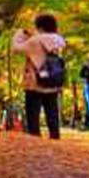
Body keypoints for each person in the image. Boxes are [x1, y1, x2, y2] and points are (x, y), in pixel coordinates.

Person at [12, 12, 66, 140]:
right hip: (53, 82)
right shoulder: (59, 40)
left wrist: (19, 33)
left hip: (35, 83)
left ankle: (35, 140)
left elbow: (16, 48)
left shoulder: (34, 41)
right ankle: (55, 138)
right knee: (52, 113)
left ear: (40, 27)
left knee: (33, 114)